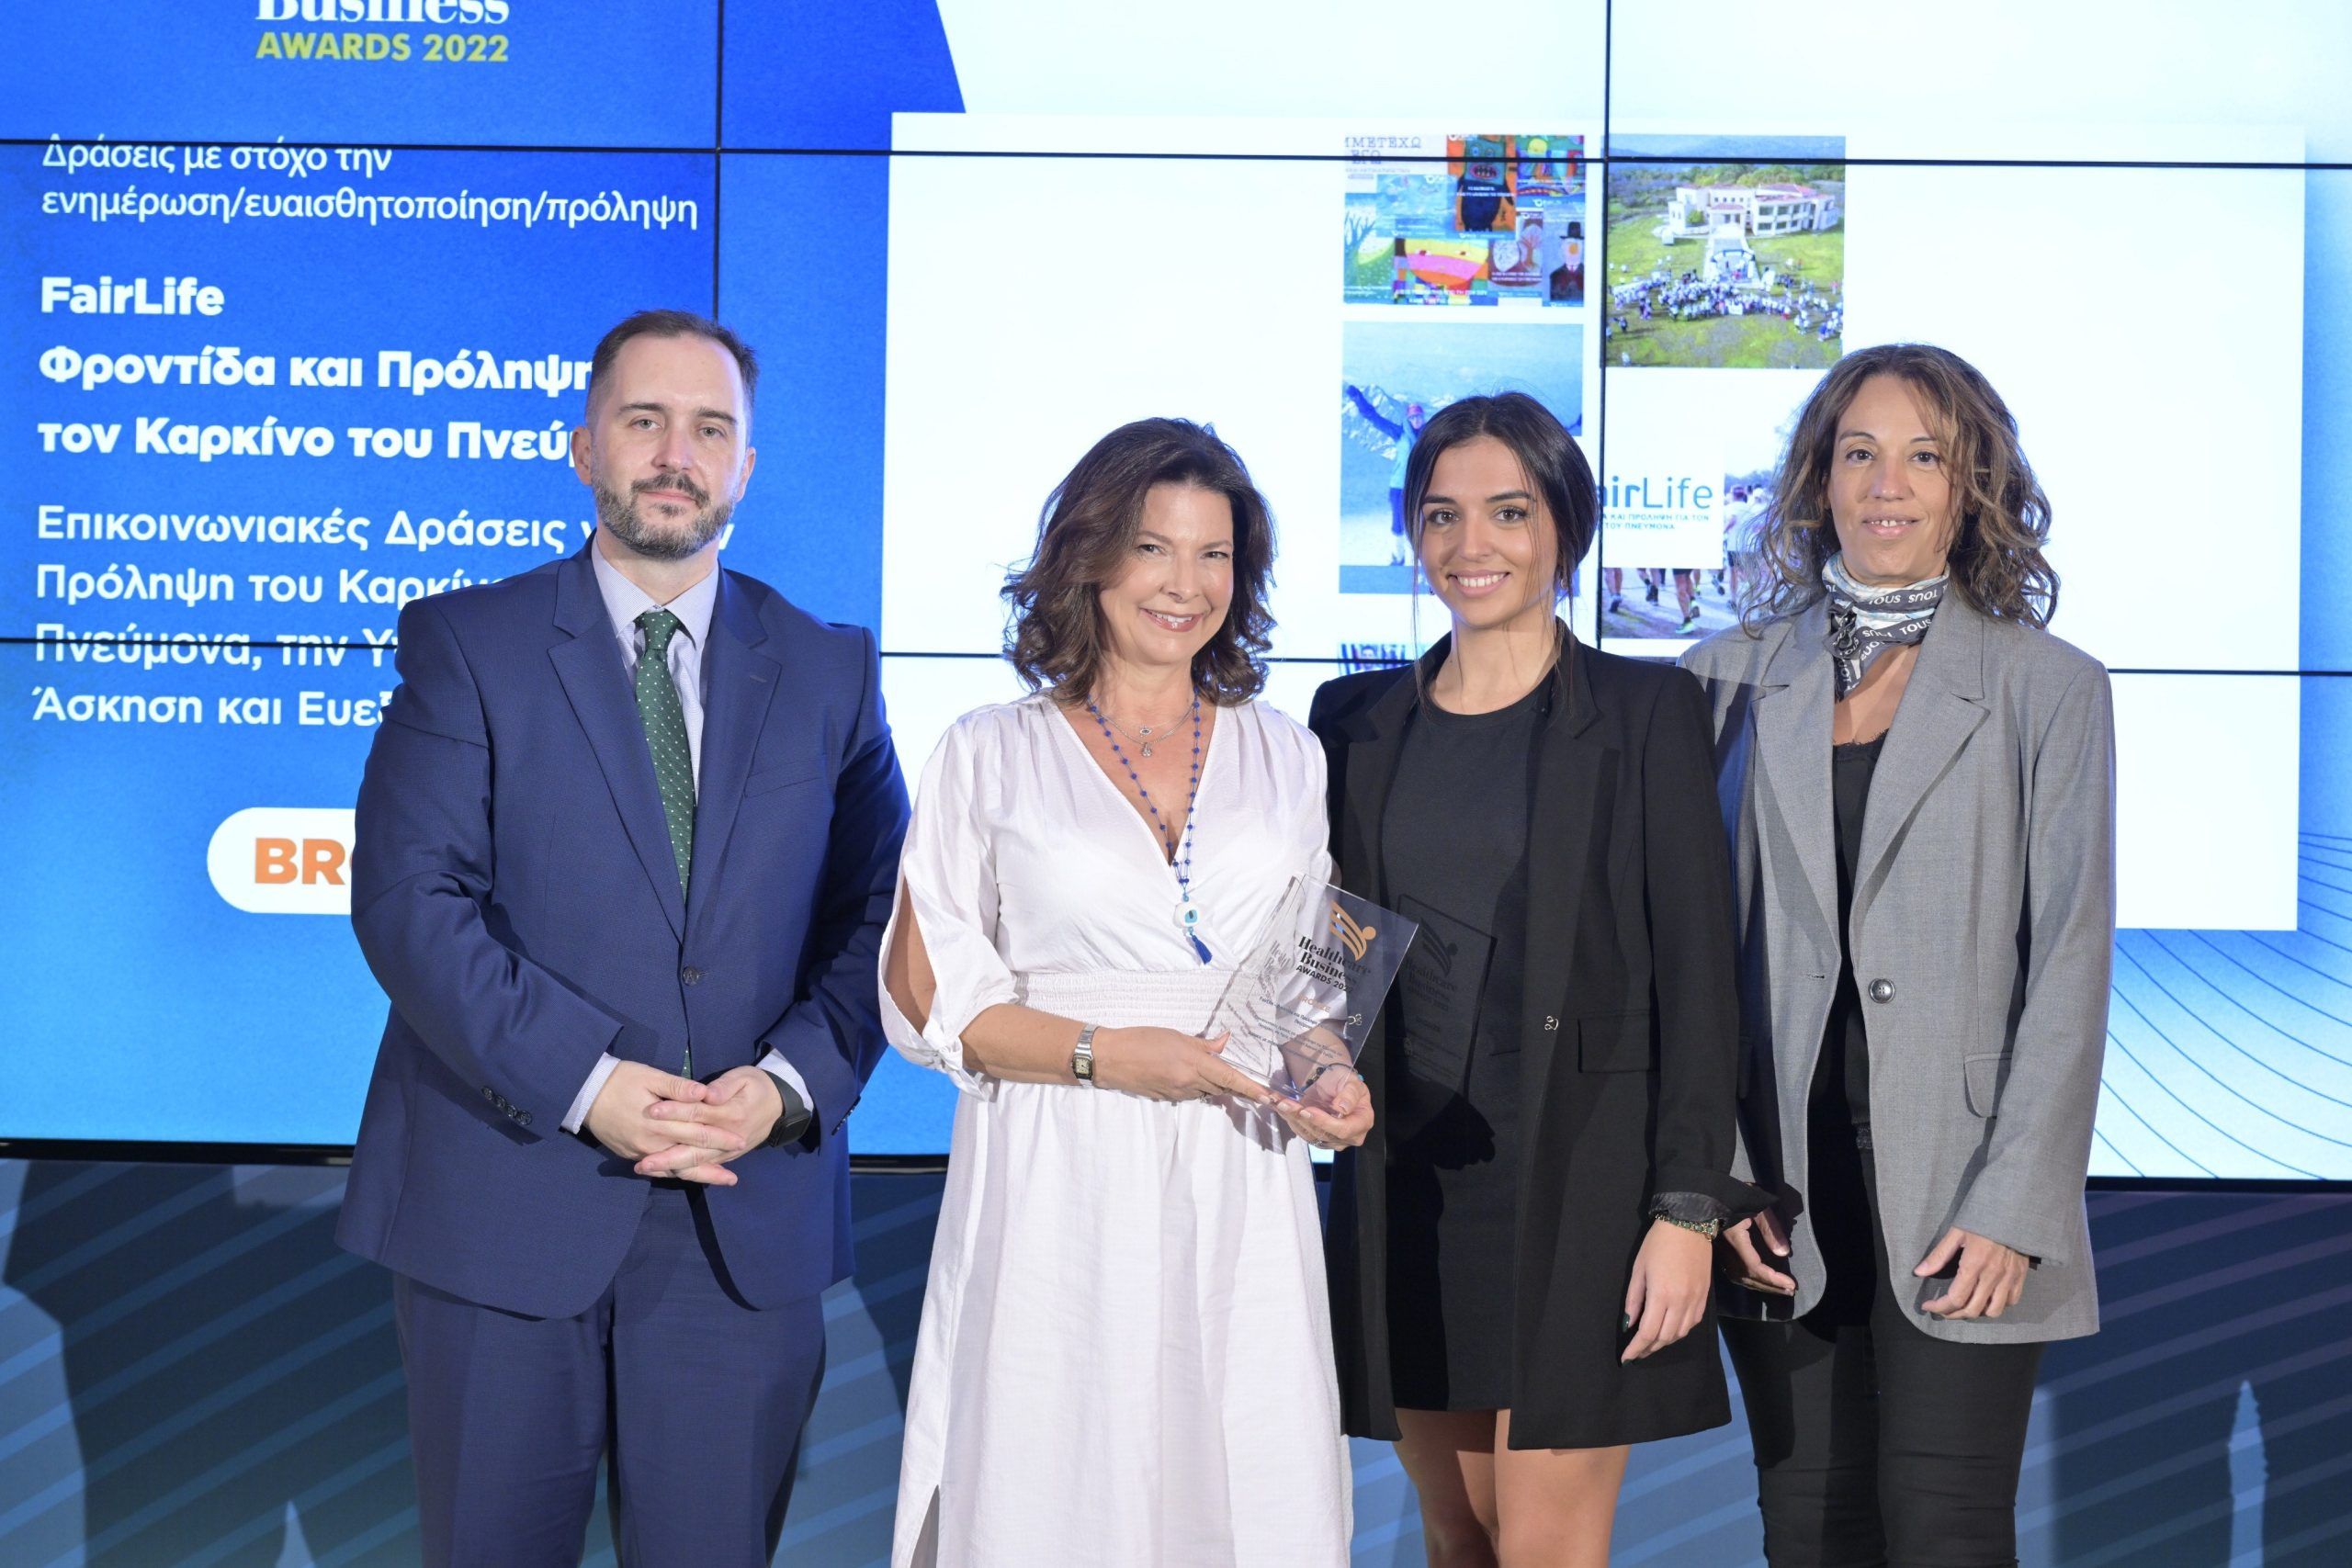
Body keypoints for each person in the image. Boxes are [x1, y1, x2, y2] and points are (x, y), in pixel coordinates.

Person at [338, 310, 909, 1567]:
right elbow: (408, 900)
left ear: (745, 463)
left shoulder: (830, 669)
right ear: (584, 444)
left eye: (709, 428)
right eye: (644, 420)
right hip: (503, 1207)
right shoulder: (467, 643)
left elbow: (884, 916)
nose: (674, 454)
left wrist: (785, 1085)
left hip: (738, 1218)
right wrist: (588, 1082)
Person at [880, 418, 1373, 1566]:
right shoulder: (987, 751)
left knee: (1242, 1470)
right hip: (1057, 1160)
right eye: (1154, 548)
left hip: (1239, 1164)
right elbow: (934, 1005)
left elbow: (1304, 984)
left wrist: (1330, 1073)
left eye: (1214, 555)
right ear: (1090, 557)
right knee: (1055, 1474)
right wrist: (1109, 1055)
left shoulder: (1286, 753)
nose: (1183, 584)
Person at [1682, 343, 2114, 1567]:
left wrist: (2016, 1204)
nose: (1888, 484)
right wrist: (1716, 1180)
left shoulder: (2048, 687)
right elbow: (1686, 957)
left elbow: (2070, 961)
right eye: (1859, 453)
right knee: (1807, 1533)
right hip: (1777, 1188)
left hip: (1966, 1189)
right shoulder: (1718, 679)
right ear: (1817, 479)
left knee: (1944, 1532)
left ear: (1970, 484)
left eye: (1924, 456)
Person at [1309, 392, 1759, 1568]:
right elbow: (1336, 947)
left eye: (1509, 512)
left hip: (1583, 1185)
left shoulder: (1646, 710)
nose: (1473, 545)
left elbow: (1699, 981)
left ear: (1564, 526)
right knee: (1459, 1535)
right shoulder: (1352, 720)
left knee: (1548, 1546)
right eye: (1442, 515)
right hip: (1409, 1186)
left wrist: (1686, 1210)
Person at [1346, 383, 1428, 566]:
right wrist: (1359, 399)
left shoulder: (1429, 437)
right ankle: (1397, 558)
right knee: (1398, 524)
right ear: (1409, 418)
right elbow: (1375, 418)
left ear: (1423, 418)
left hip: (1420, 489)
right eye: (1413, 417)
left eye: (1419, 417)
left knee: (1421, 526)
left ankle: (1424, 562)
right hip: (1398, 487)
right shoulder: (1399, 434)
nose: (1416, 420)